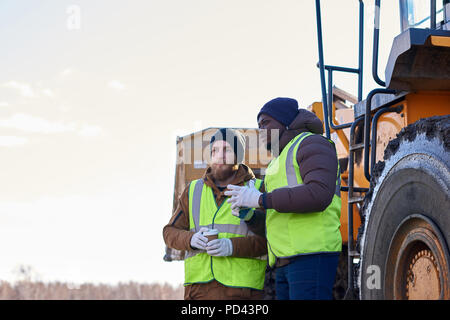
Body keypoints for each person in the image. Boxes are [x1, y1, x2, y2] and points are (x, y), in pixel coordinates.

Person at [225, 97, 342, 300]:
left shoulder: (312, 143)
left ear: (285, 121)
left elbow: (319, 194)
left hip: (311, 256)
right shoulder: (276, 163)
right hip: (284, 261)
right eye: (258, 125)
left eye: (265, 123)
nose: (261, 130)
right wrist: (249, 213)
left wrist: (260, 200)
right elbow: (276, 218)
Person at [163, 128, 267, 300]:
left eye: (227, 150)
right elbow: (169, 233)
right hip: (198, 291)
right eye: (214, 150)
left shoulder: (257, 189)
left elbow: (271, 239)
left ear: (238, 156)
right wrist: (191, 239)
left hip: (243, 291)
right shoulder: (193, 190)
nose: (220, 155)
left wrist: (231, 246)